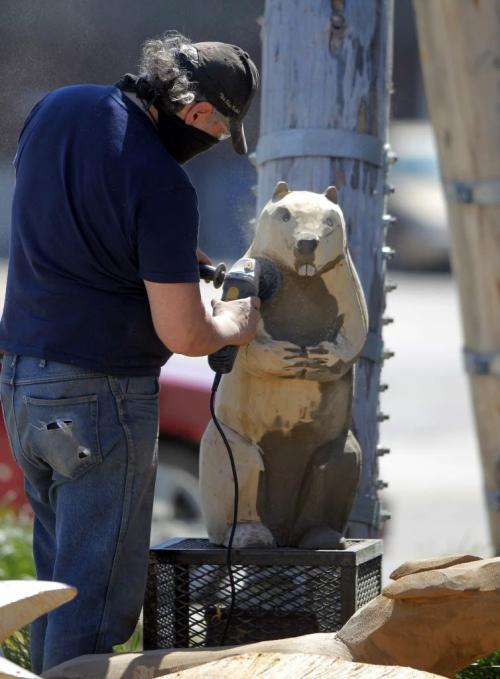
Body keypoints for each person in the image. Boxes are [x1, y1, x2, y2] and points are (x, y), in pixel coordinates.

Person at [0, 31, 260, 673]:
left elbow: (71, 213)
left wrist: (159, 258)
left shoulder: (60, 106)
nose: (213, 145)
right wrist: (234, 321)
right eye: (223, 131)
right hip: (99, 397)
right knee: (93, 599)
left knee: (55, 583)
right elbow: (187, 337)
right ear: (201, 114)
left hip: (22, 380)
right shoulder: (164, 185)